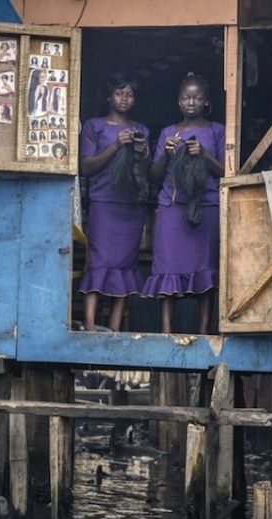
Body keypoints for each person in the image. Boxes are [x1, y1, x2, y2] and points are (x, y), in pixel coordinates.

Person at [141, 73, 225, 334]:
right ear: (178, 102)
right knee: (167, 266)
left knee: (205, 269)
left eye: (197, 97)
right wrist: (166, 153)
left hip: (206, 207)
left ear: (206, 102)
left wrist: (205, 154)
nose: (192, 102)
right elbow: (154, 175)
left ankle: (202, 333)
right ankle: (166, 332)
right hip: (171, 208)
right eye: (186, 97)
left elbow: (226, 171)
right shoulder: (168, 132)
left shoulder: (217, 130)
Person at [78, 73, 151, 332]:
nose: (124, 98)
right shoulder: (94, 126)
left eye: (129, 94)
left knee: (124, 264)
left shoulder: (141, 130)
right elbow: (87, 167)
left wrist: (143, 153)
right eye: (120, 93)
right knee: (99, 261)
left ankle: (114, 328)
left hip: (131, 205)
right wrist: (116, 146)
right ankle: (89, 325)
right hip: (104, 202)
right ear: (109, 96)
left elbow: (147, 172)